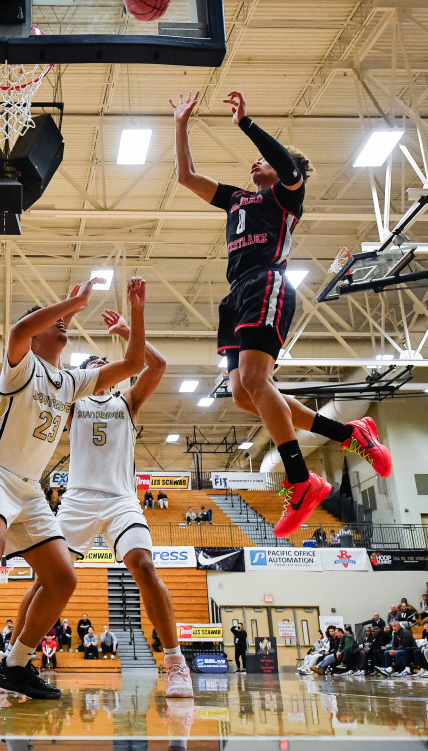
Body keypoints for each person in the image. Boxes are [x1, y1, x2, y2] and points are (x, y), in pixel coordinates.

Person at [0, 276, 149, 706]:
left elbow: (133, 364)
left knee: (63, 578)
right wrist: (71, 303)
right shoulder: (22, 364)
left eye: (65, 322)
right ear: (38, 330)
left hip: (30, 490)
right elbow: (18, 332)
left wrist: (137, 311)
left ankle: (15, 665)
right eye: (55, 321)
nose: (64, 326)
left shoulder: (73, 381)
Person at [171, 90, 391, 537]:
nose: (255, 165)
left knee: (256, 381)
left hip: (266, 283)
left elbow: (284, 164)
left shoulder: (287, 196)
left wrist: (246, 125)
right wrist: (180, 124)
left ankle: (299, 480)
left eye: (263, 162)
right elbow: (186, 177)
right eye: (255, 162)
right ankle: (350, 434)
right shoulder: (236, 199)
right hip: (236, 295)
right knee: (243, 394)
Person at [0, 307, 192, 697]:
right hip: (78, 500)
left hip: (121, 498)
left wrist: (126, 332)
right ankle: (11, 661)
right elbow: (52, 372)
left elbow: (159, 364)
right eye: (96, 363)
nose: (103, 365)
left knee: (145, 565)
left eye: (106, 362)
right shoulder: (74, 402)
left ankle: (175, 662)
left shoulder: (128, 402)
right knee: (45, 581)